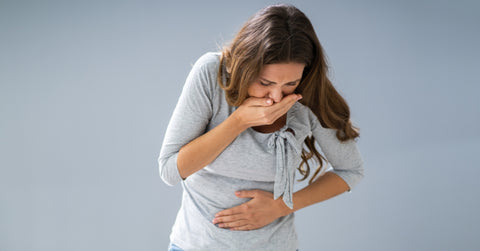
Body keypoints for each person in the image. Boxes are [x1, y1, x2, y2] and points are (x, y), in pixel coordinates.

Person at [158, 4, 364, 251]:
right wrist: (239, 121)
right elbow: (170, 170)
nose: (276, 97)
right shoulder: (212, 74)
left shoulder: (310, 92)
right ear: (245, 65)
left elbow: (351, 170)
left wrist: (282, 206)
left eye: (290, 83)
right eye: (265, 82)